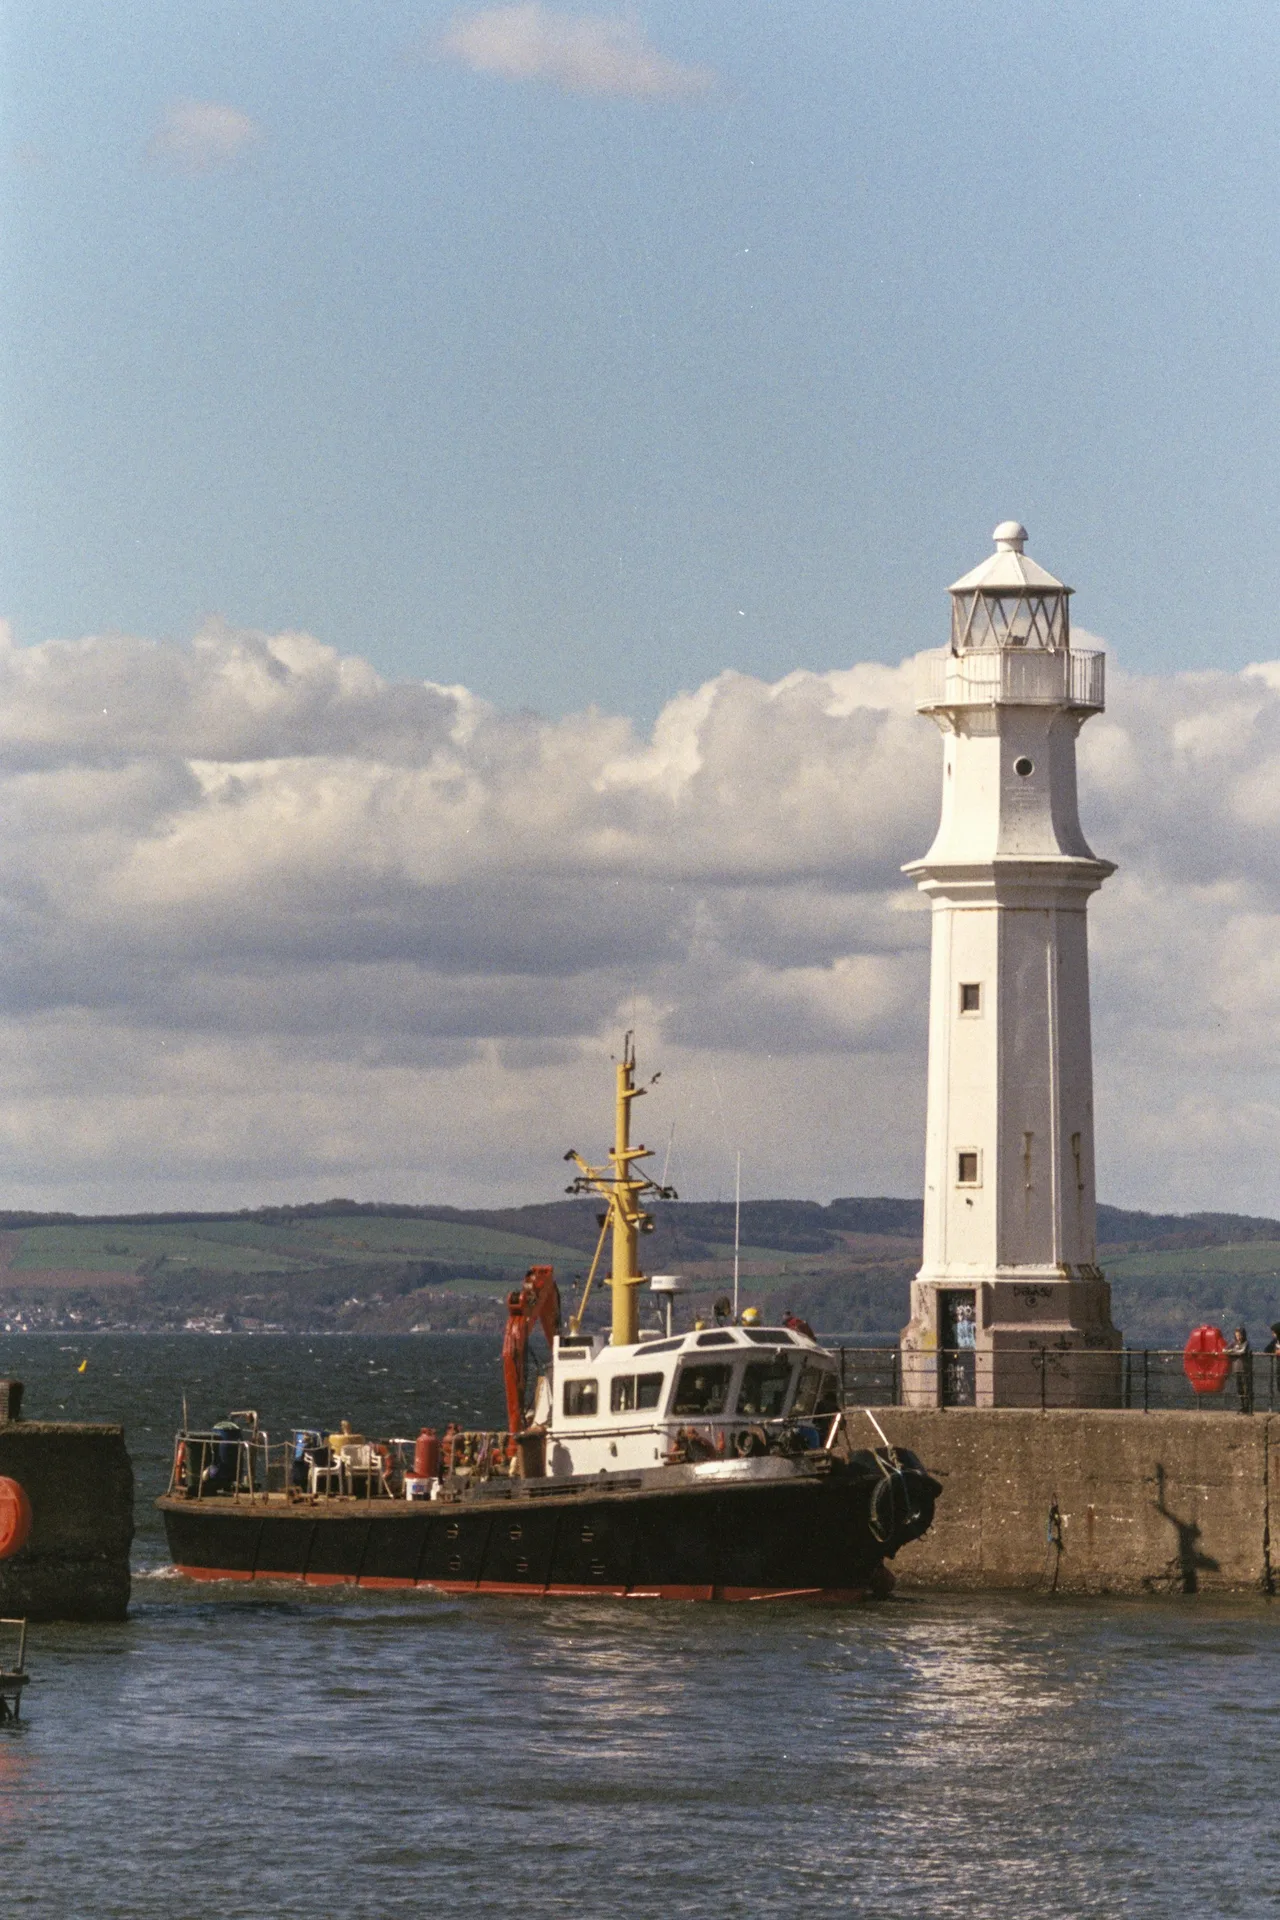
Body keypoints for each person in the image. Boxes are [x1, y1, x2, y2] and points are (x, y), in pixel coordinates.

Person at [1226, 1326, 1254, 1415]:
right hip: (1236, 1369)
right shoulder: (1233, 1343)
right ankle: (1242, 1406)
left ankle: (1247, 1407)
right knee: (1239, 1389)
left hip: (1245, 1369)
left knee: (1246, 1388)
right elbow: (1225, 1350)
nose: (1238, 1337)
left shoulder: (1246, 1343)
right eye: (1237, 1335)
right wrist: (1234, 1351)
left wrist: (1232, 1351)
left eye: (1239, 1335)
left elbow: (1242, 1351)